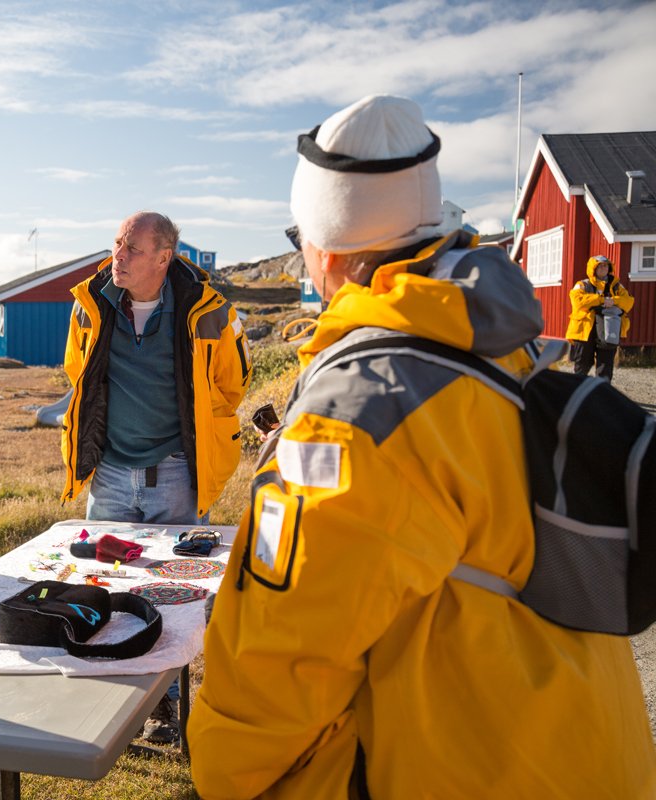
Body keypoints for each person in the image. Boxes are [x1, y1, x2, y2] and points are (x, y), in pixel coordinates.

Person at [188, 95, 656, 798]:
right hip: (584, 750)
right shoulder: (498, 346)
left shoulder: (358, 415)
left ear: (325, 250)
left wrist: (221, 780)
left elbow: (282, 660)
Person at [60, 210, 251, 744]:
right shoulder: (91, 304)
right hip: (113, 473)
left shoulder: (208, 310)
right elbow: (78, 373)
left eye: (132, 248)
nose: (118, 255)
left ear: (163, 258)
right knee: (108, 584)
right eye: (117, 243)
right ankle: (113, 691)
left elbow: (233, 384)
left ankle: (168, 704)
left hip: (175, 474)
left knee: (173, 590)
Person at [566, 254, 634, 381]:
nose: (603, 268)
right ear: (593, 269)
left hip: (609, 329)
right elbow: (578, 301)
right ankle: (577, 395)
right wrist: (602, 299)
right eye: (600, 266)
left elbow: (629, 301)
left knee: (605, 366)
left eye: (605, 266)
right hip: (585, 331)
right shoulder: (582, 285)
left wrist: (613, 301)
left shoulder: (617, 286)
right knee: (582, 365)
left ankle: (603, 395)